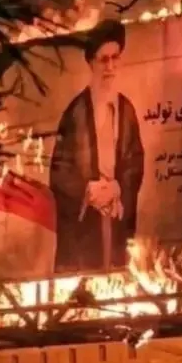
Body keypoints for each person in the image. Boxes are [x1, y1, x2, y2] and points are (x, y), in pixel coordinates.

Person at [50, 19, 144, 273]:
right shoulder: (75, 112)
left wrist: (118, 187)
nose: (110, 67)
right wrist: (88, 191)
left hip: (115, 209)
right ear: (91, 62)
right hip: (86, 216)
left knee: (117, 274)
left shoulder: (126, 110)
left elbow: (135, 161)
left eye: (115, 58)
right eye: (103, 60)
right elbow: (59, 171)